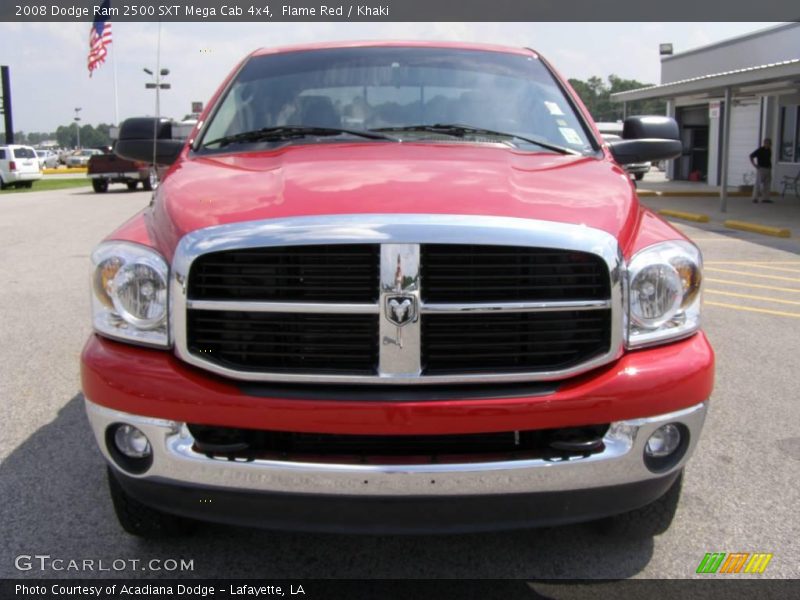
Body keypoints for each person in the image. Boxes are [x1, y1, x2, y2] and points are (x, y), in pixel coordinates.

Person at [749, 138, 773, 203]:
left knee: (767, 184)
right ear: (764, 143)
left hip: (768, 168)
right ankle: (755, 198)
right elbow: (751, 156)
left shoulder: (769, 150)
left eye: (770, 144)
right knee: (758, 183)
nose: (769, 145)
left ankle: (765, 198)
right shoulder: (760, 150)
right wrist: (754, 165)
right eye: (767, 143)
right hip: (761, 168)